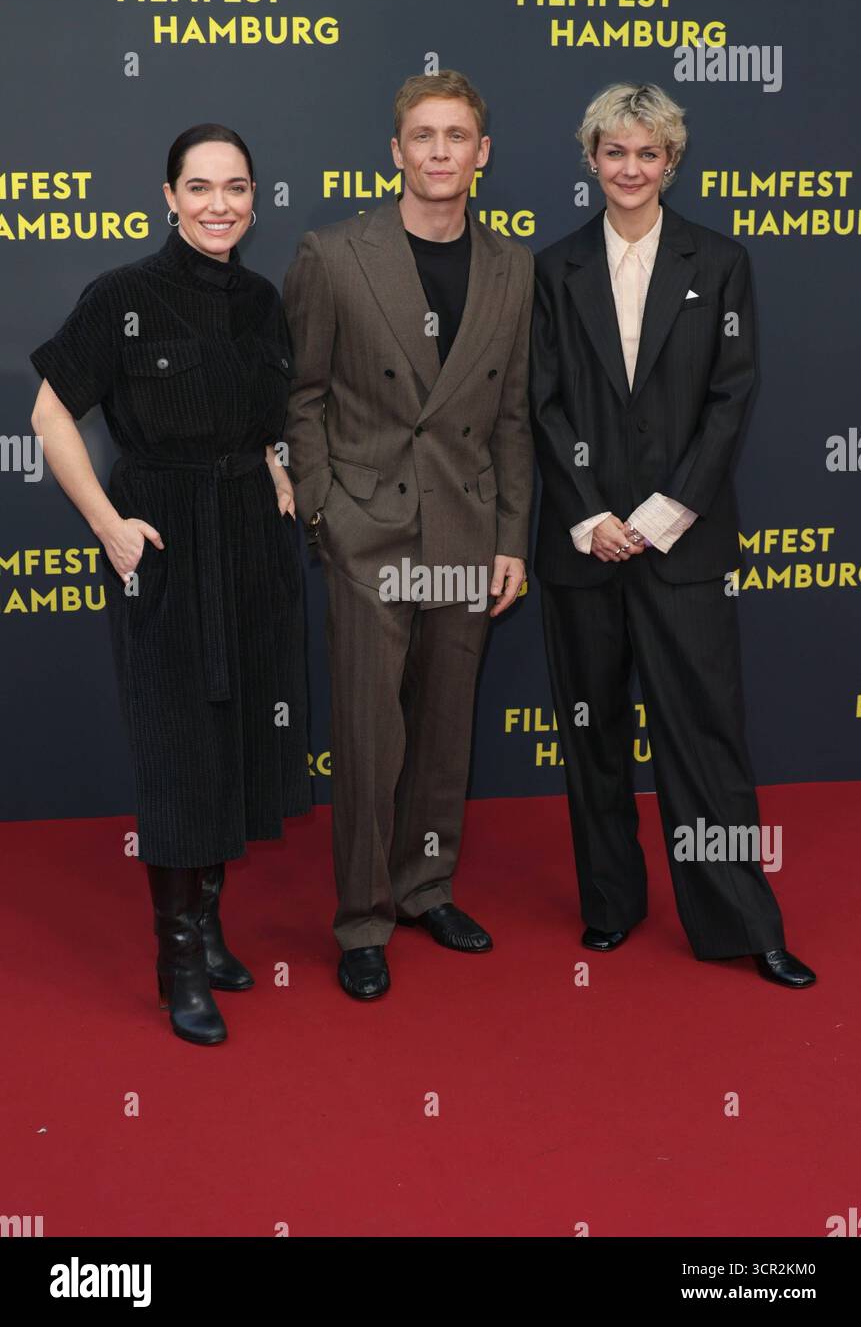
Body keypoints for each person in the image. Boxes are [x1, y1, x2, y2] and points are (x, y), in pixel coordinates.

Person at [30, 124, 311, 1044]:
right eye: (200, 187)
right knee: (180, 747)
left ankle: (213, 928)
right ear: (168, 197)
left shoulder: (266, 302)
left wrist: (275, 475)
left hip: (251, 547)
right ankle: (177, 959)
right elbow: (49, 413)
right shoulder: (121, 296)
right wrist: (109, 528)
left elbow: (267, 423)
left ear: (254, 199)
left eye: (236, 187)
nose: (219, 204)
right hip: (164, 544)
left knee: (232, 746)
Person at [529, 82, 815, 987]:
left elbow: (731, 402)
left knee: (704, 735)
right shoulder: (551, 269)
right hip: (582, 544)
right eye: (614, 152)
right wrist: (590, 515)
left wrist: (656, 518)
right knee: (594, 733)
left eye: (647, 154)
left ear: (672, 163)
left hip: (681, 544)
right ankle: (611, 904)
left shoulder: (719, 262)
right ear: (591, 161)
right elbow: (539, 403)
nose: (630, 168)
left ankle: (739, 919)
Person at [283, 70, 534, 999]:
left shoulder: (515, 266)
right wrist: (325, 512)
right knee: (368, 733)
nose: (439, 152)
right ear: (395, 152)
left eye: (456, 136)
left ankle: (427, 887)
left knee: (442, 729)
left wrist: (512, 536)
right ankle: (362, 918)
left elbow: (510, 416)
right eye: (422, 136)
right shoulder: (334, 253)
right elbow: (301, 395)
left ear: (482, 154)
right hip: (369, 531)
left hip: (466, 533)